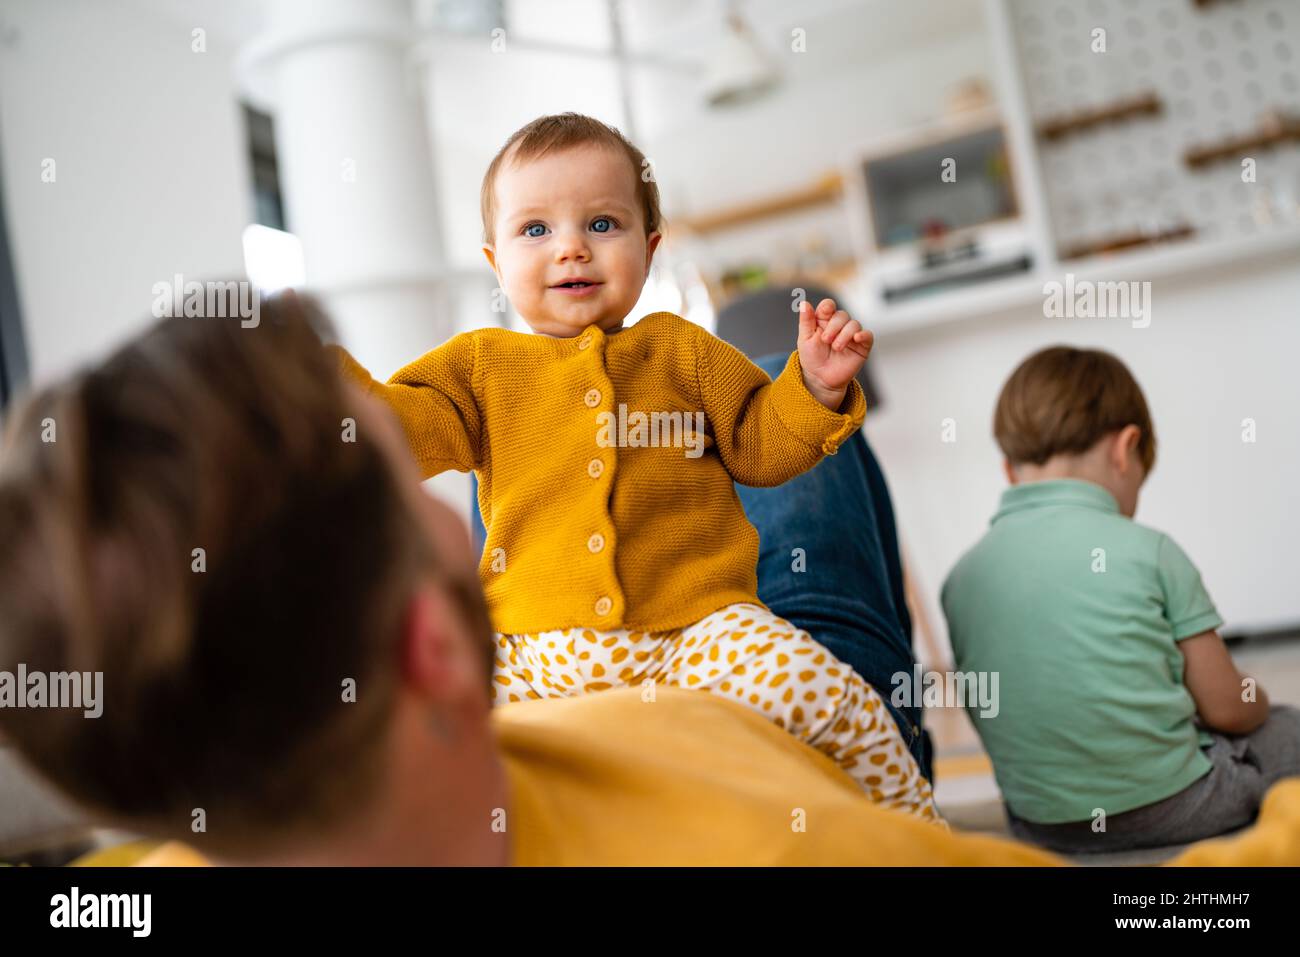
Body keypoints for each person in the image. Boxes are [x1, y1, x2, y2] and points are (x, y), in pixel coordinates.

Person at [2, 296, 1298, 866]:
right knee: (798, 463)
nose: (465, 522)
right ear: (438, 650)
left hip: (701, 642)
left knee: (741, 406)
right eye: (434, 511)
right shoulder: (779, 840)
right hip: (761, 709)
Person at [329, 112, 936, 819]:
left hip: (698, 634)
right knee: (448, 766)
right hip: (532, 657)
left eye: (602, 224)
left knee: (830, 696)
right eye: (536, 230)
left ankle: (915, 832)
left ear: (648, 251)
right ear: (496, 261)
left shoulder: (683, 351)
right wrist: (329, 395)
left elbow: (761, 442)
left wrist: (813, 388)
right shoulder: (478, 366)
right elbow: (406, 431)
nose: (571, 251)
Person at [941, 345, 1300, 853]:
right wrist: (1255, 698)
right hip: (1175, 808)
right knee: (1284, 729)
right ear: (1124, 449)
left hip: (1041, 827)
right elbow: (1227, 709)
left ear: (1009, 470)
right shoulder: (1148, 551)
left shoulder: (961, 578)